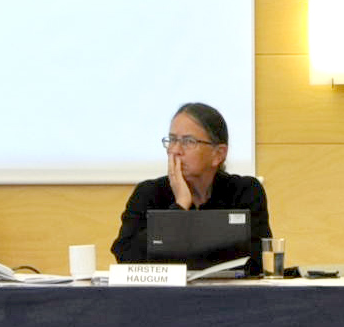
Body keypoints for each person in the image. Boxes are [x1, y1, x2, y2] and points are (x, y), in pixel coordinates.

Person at [111, 103, 272, 273]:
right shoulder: (148, 193)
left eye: (188, 141)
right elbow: (126, 257)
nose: (175, 150)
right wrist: (179, 207)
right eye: (172, 140)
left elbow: (259, 261)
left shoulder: (245, 192)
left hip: (228, 296)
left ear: (218, 154)